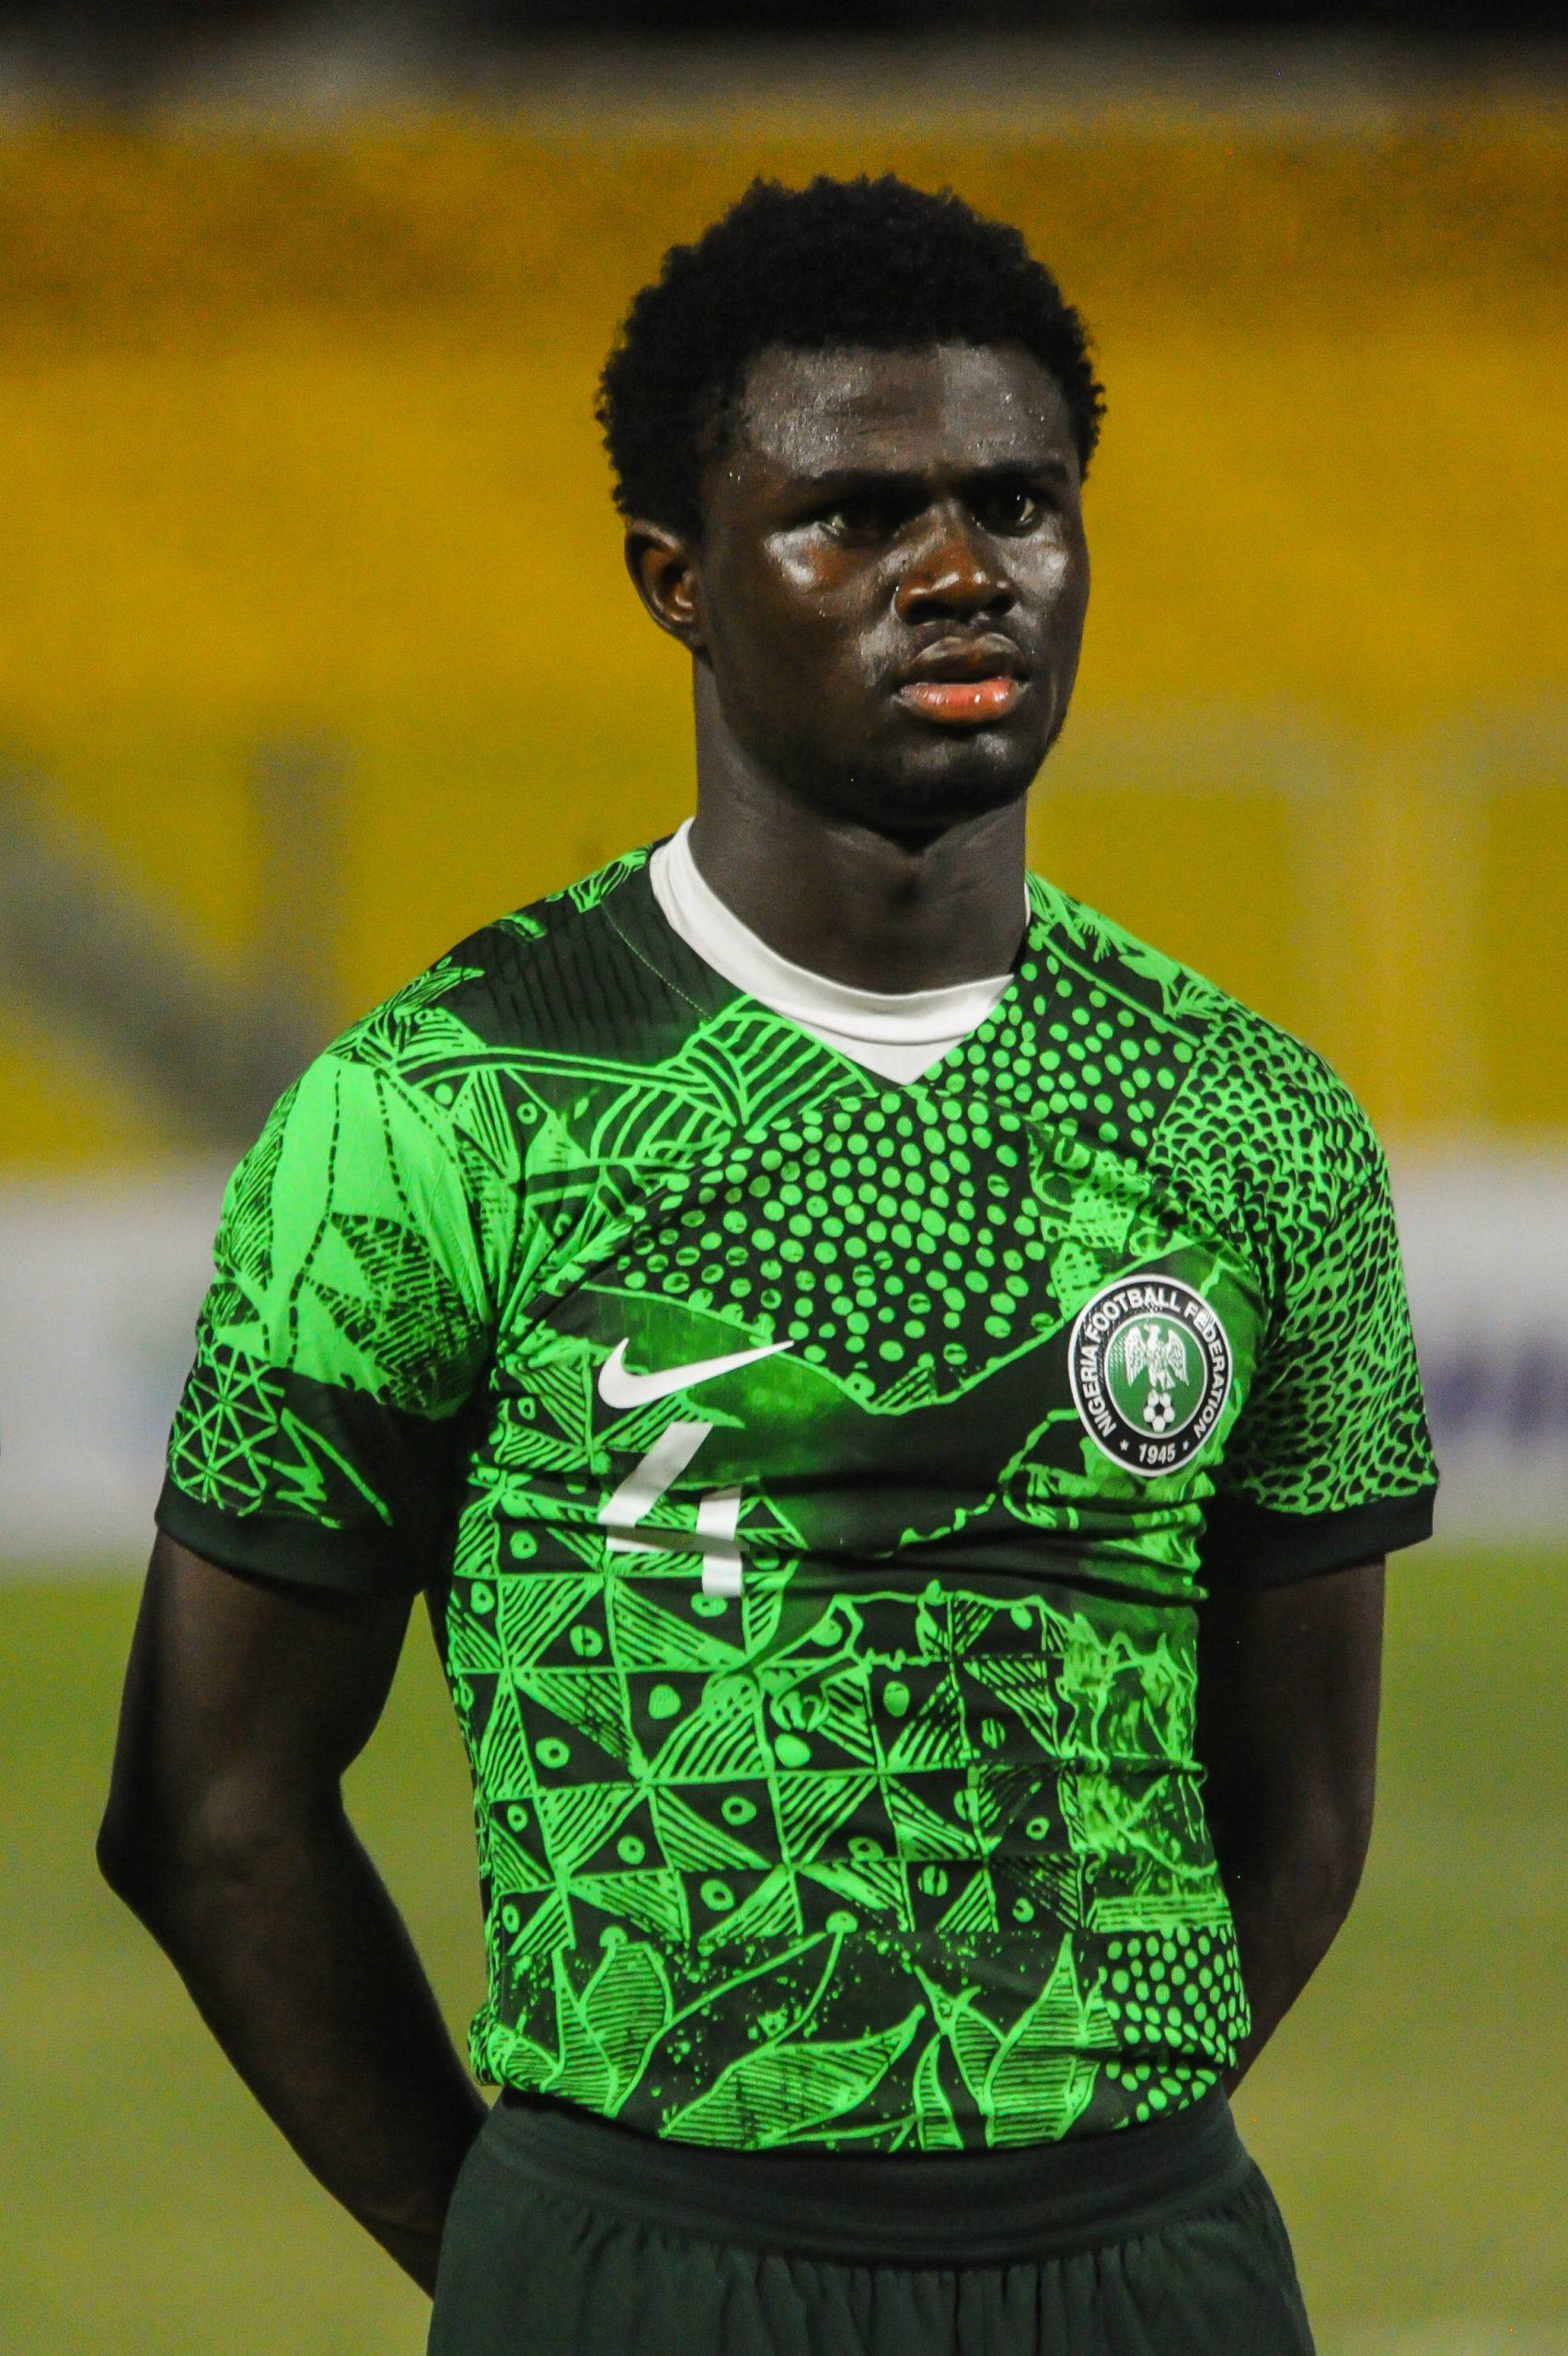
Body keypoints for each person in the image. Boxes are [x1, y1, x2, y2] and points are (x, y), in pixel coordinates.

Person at [98, 173, 1438, 2356]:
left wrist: (1057, 2173)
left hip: (1157, 2268)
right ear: (680, 580)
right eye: (856, 513)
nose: (959, 569)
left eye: (1020, 499)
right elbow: (206, 1808)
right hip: (628, 2257)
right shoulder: (440, 1109)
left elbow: (1304, 1807)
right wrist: (543, 2253)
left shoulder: (1251, 1122)